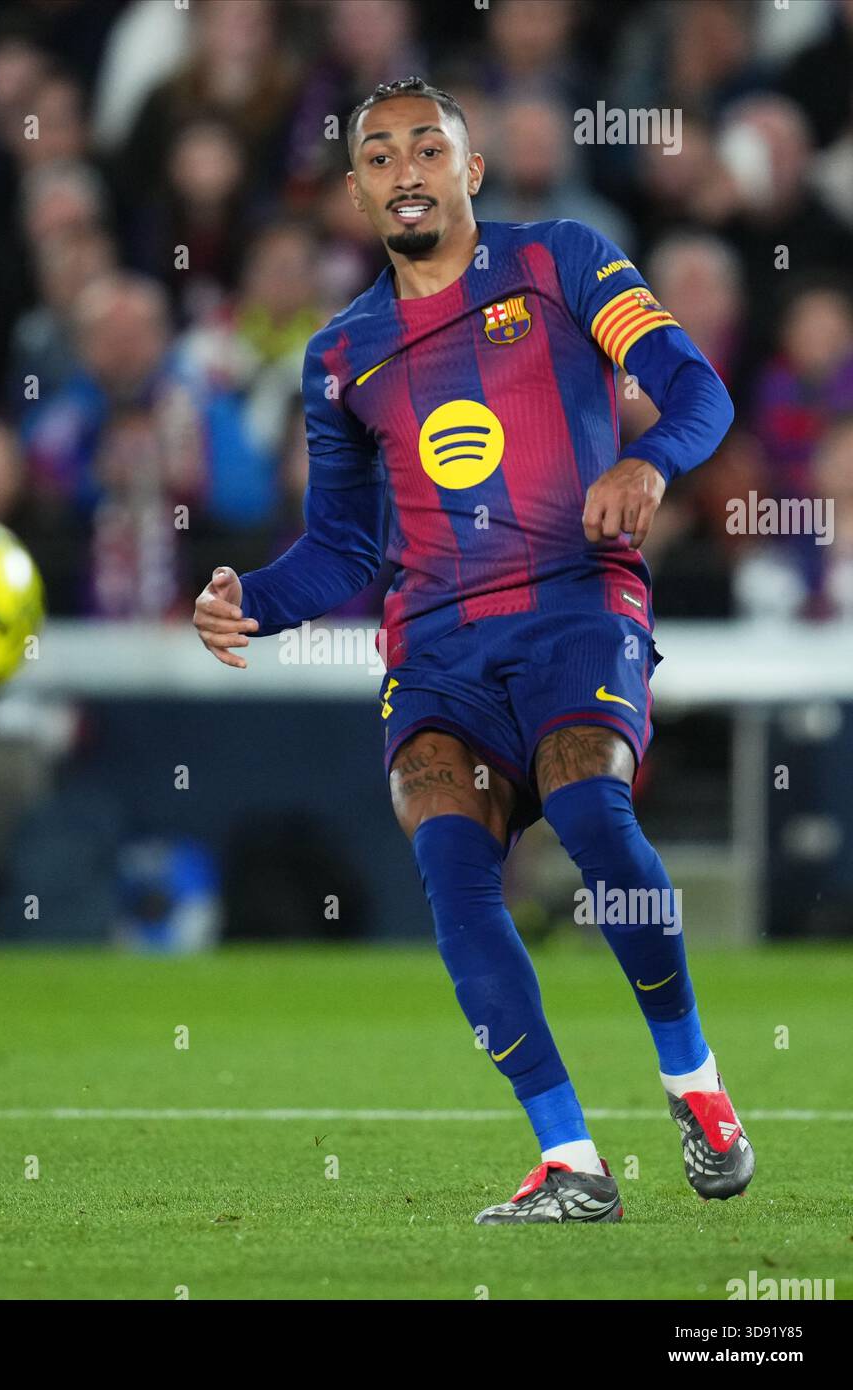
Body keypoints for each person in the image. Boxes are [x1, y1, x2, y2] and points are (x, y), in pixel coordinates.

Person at [193, 78, 749, 1225]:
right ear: (353, 191)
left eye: (425, 149)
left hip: (575, 606)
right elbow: (344, 546)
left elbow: (694, 387)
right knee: (455, 870)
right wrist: (251, 599)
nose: (404, 170)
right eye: (378, 155)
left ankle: (693, 1084)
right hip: (437, 647)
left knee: (592, 812)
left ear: (469, 171)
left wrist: (648, 463)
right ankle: (568, 1158)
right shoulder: (342, 354)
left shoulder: (561, 262)